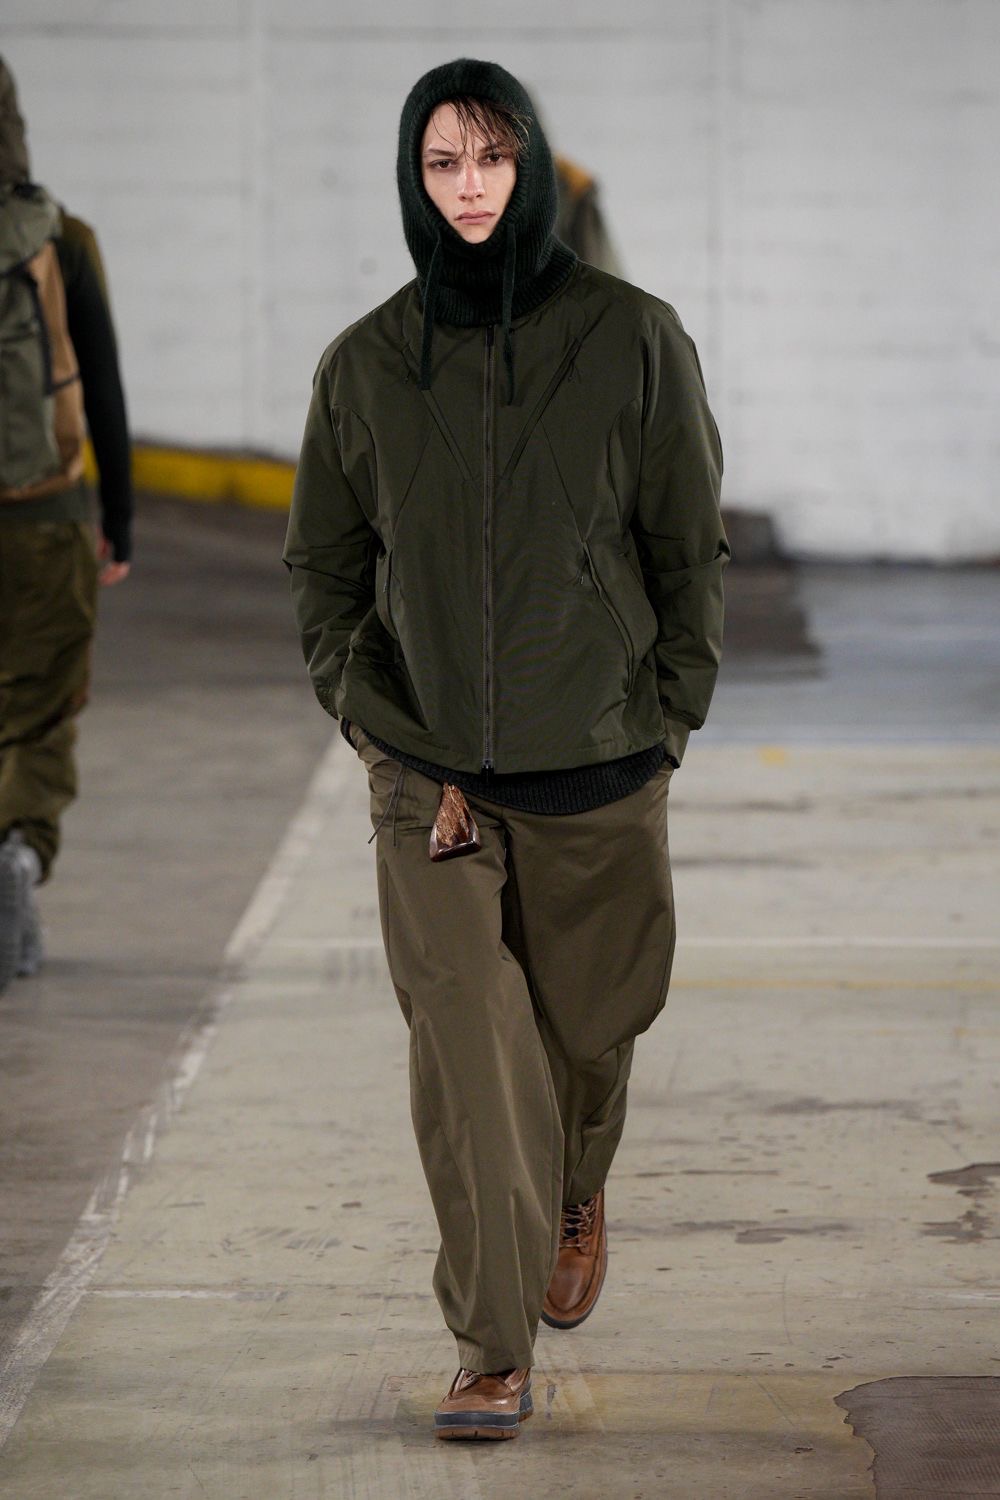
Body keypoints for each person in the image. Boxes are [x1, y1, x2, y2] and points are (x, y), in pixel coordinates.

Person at [285, 57, 727, 1441]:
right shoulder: (365, 365)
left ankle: (579, 1183)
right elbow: (324, 568)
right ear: (413, 180)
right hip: (433, 777)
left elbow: (686, 542)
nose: (468, 187)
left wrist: (671, 712)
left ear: (529, 167)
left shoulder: (635, 339)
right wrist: (368, 712)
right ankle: (491, 1346)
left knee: (588, 1040)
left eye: (489, 158)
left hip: (600, 760)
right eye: (441, 163)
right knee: (471, 1058)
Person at [0, 56, 132, 992]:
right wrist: (116, 517)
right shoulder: (62, 237)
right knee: (40, 710)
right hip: (47, 519)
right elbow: (106, 387)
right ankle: (17, 850)